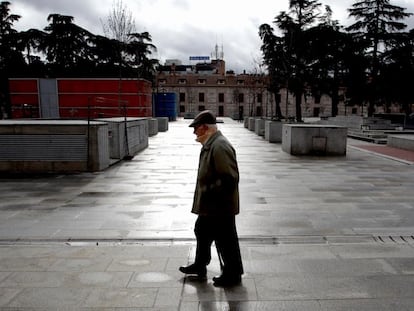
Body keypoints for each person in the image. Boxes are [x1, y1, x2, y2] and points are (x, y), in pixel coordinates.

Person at [179, 110, 244, 287]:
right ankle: (200, 265)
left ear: (205, 128)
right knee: (201, 230)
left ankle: (233, 274)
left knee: (226, 239)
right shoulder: (211, 144)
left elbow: (229, 178)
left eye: (196, 129)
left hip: (219, 206)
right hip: (211, 206)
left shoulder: (219, 146)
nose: (194, 133)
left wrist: (209, 190)